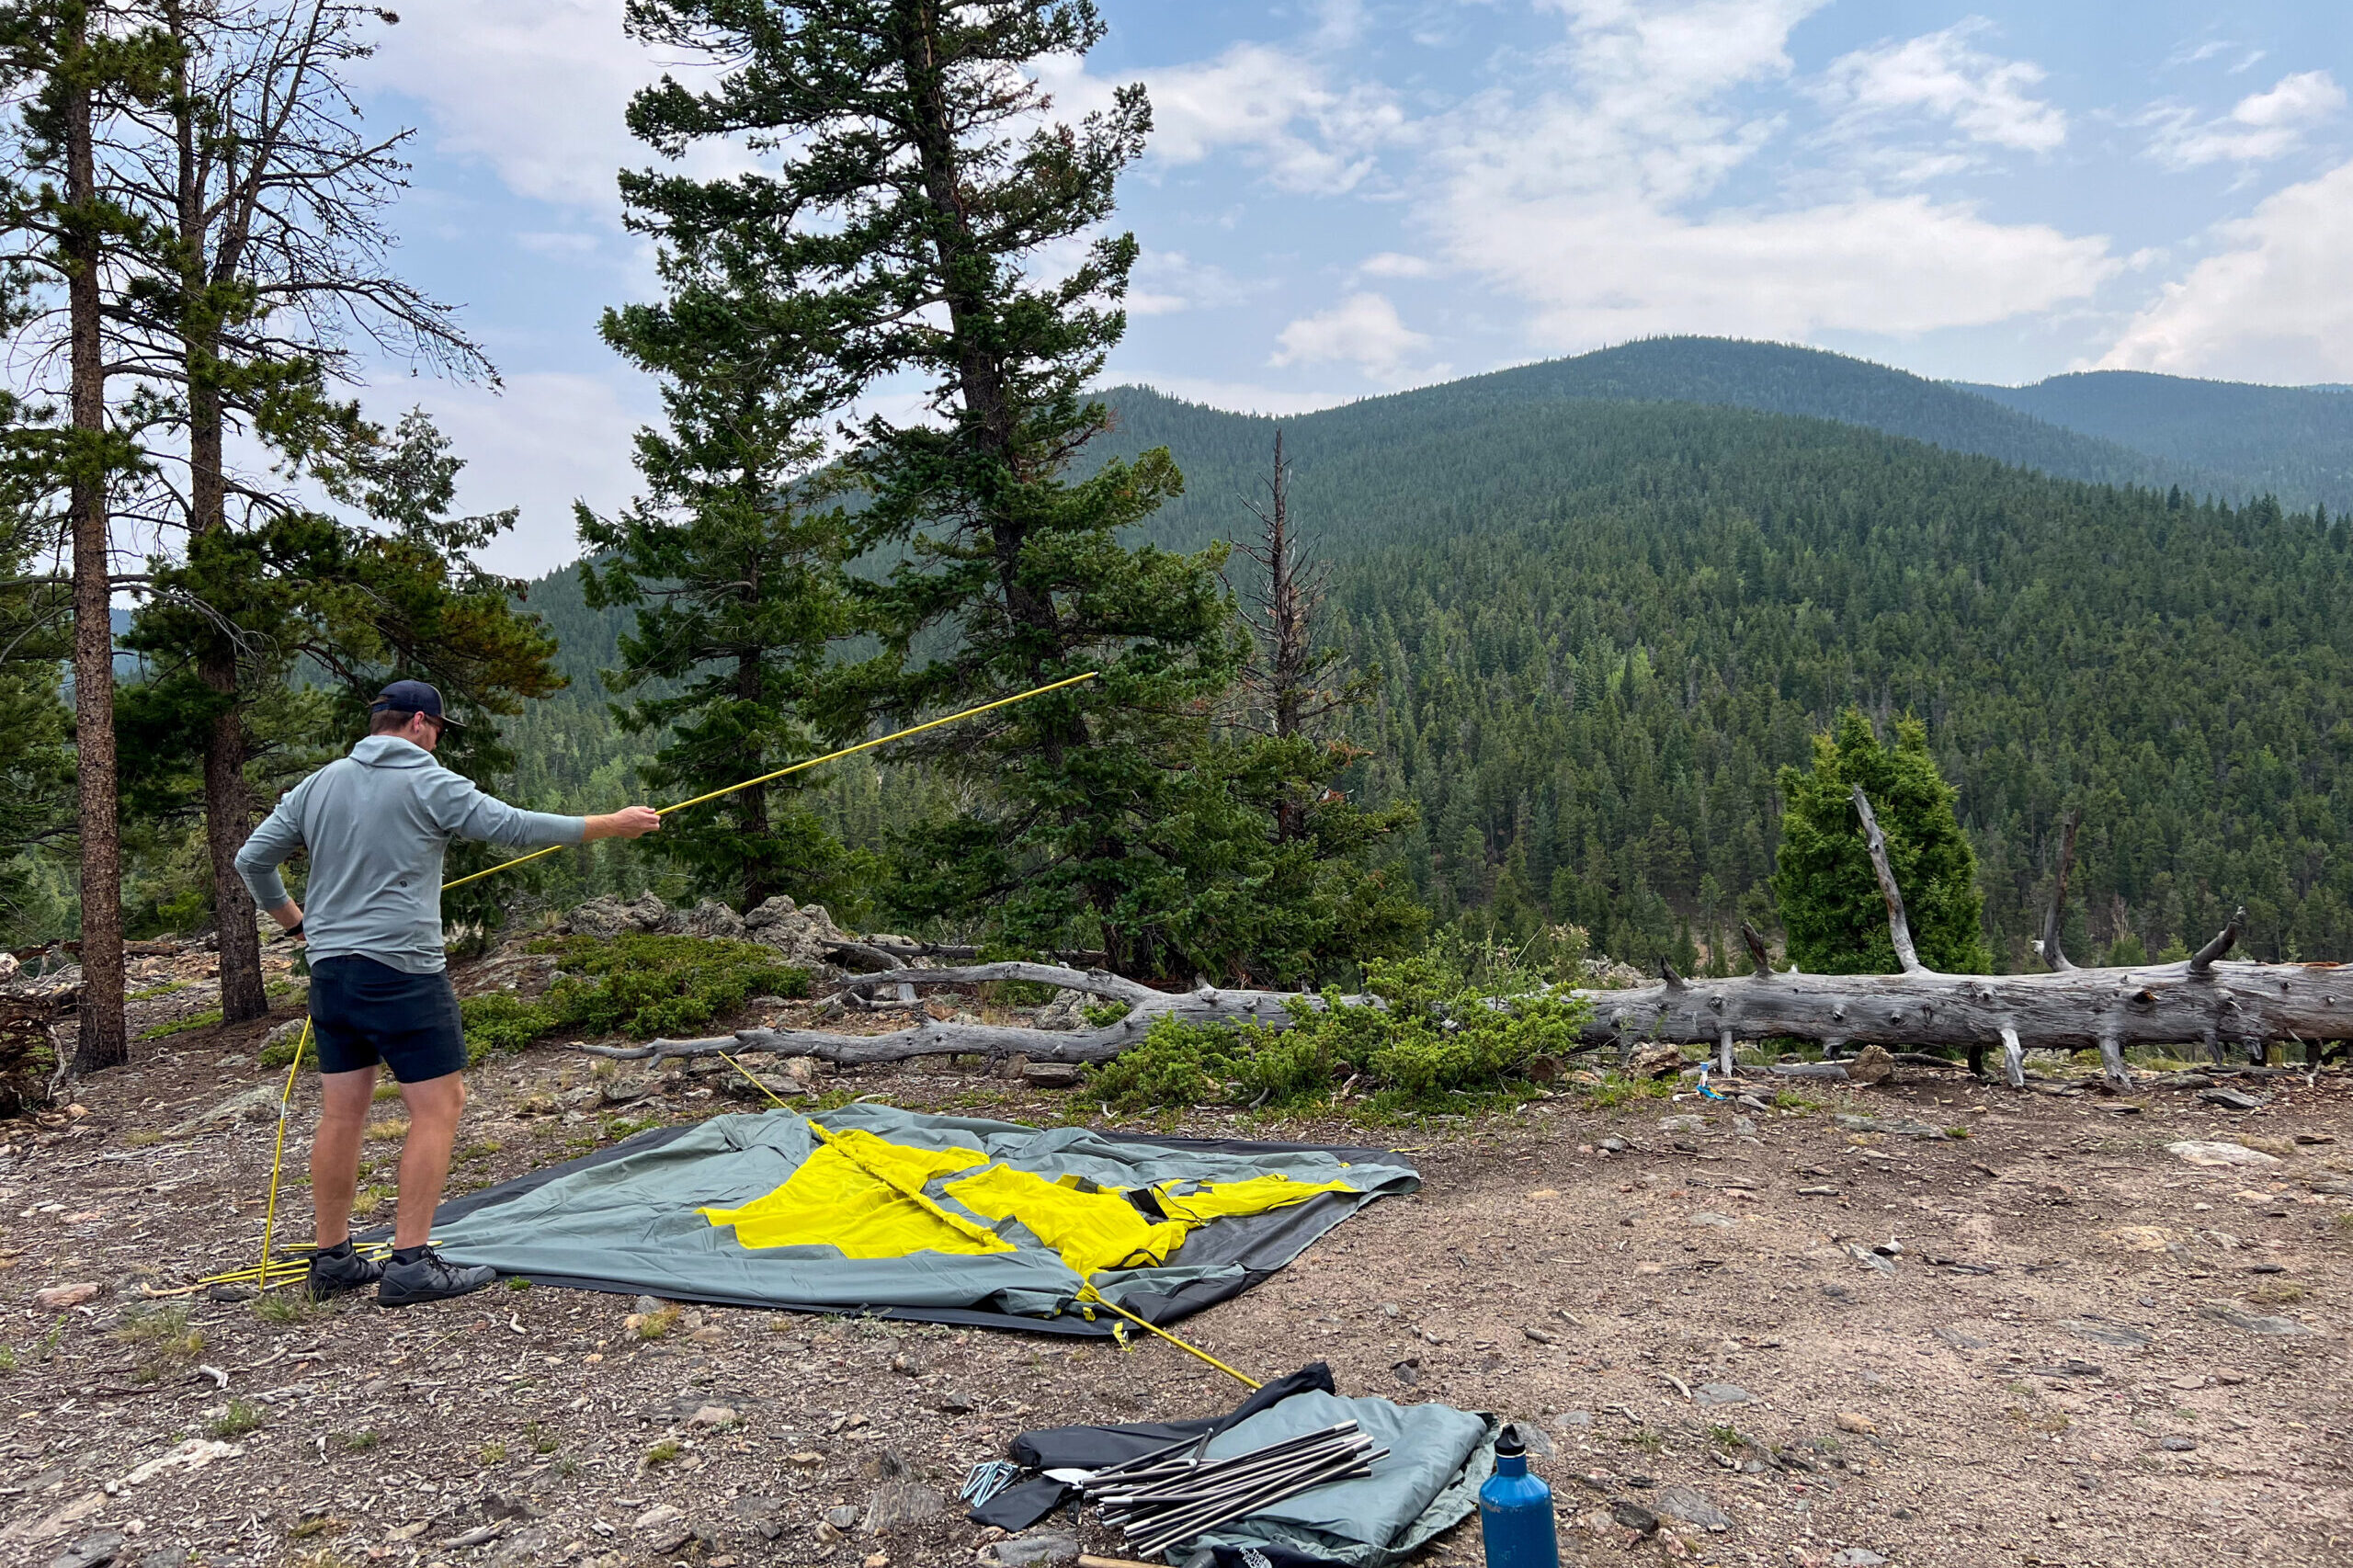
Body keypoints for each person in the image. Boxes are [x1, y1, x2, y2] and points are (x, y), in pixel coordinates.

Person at [234, 679, 661, 1306]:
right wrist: (612, 825)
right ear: (416, 723)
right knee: (439, 1107)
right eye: (436, 727)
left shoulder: (318, 784)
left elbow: (253, 861)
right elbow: (513, 826)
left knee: (341, 1113)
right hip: (403, 972)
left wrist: (298, 926)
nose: (436, 739)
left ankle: (332, 1259)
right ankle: (410, 1263)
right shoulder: (430, 780)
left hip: (331, 972)